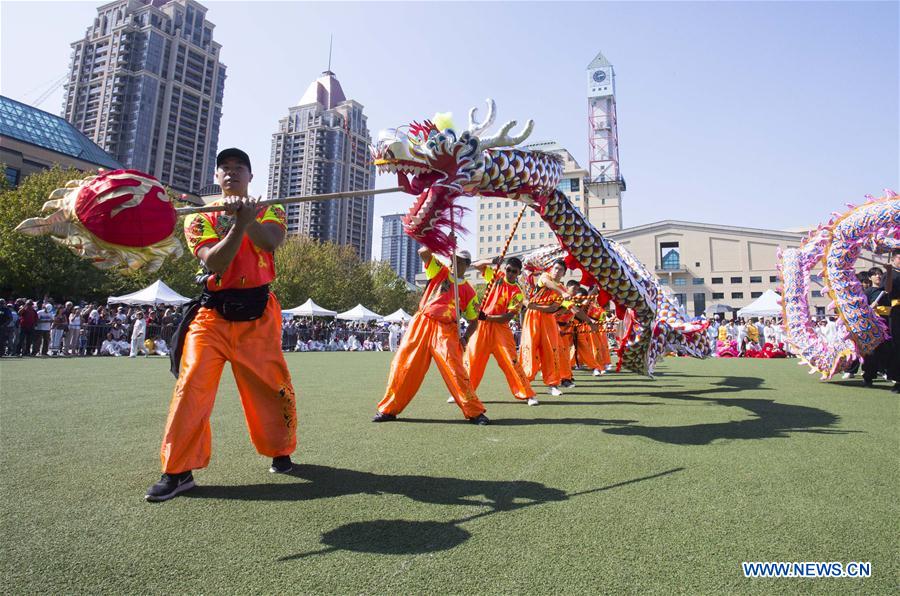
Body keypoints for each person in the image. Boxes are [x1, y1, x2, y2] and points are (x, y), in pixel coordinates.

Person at [145, 148, 298, 502]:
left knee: (273, 387)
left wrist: (249, 219)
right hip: (212, 317)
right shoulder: (198, 217)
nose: (231, 173)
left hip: (259, 316)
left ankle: (280, 450)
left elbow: (270, 241)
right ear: (216, 177)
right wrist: (240, 223)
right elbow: (215, 262)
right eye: (224, 169)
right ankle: (178, 470)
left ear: (250, 176)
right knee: (191, 384)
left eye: (238, 168)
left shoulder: (271, 208)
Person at [374, 246, 489, 424]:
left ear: (466, 265)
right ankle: (388, 409)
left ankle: (474, 412)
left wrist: (465, 337)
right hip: (422, 323)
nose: (454, 262)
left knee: (456, 371)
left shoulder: (469, 291)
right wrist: (442, 242)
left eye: (459, 260)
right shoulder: (440, 271)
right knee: (404, 365)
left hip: (446, 330)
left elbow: (474, 320)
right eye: (453, 258)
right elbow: (423, 252)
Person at [464, 256, 538, 406]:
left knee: (511, 361)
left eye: (514, 271)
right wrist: (492, 261)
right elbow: (477, 265)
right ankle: (464, 392)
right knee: (472, 359)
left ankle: (527, 393)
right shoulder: (496, 276)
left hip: (499, 328)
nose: (510, 273)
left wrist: (488, 317)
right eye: (508, 269)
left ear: (518, 273)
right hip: (482, 326)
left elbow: (508, 317)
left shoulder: (517, 292)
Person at [519, 259, 568, 396]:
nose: (557, 271)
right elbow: (547, 284)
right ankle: (525, 381)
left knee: (550, 350)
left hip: (548, 319)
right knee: (529, 347)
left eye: (560, 270)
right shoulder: (545, 277)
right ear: (551, 269)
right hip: (532, 317)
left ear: (564, 273)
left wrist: (537, 306)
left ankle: (552, 384)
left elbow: (553, 308)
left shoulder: (562, 290)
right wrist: (561, 293)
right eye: (556, 268)